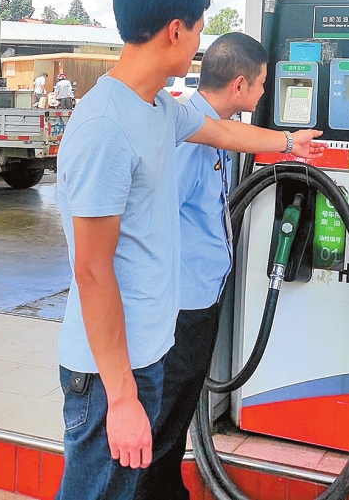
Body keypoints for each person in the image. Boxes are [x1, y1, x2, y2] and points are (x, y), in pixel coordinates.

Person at [55, 0, 324, 500]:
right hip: (111, 373)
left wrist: (288, 144)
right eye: (200, 30)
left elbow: (223, 132)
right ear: (175, 30)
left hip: (148, 352)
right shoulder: (105, 127)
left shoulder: (157, 107)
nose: (201, 44)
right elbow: (92, 270)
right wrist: (122, 397)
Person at [133, 32, 268, 500]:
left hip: (198, 296)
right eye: (262, 83)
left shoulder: (210, 128)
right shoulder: (192, 138)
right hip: (182, 304)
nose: (265, 93)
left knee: (177, 411)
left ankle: (168, 491)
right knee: (166, 416)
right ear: (239, 85)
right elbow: (158, 219)